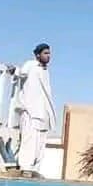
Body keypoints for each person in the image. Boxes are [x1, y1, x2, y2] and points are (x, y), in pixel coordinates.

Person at [10, 43, 56, 176]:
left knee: (40, 144)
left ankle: (35, 169)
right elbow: (20, 73)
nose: (48, 56)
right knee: (29, 140)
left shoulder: (46, 71)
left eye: (49, 53)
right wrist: (14, 70)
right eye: (45, 53)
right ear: (38, 55)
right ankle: (26, 168)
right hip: (31, 111)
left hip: (43, 113)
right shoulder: (30, 65)